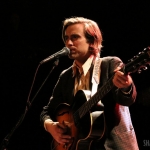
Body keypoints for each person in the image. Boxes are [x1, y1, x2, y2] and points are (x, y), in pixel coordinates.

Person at [40, 17, 139, 150]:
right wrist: (50, 126)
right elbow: (47, 111)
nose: (68, 43)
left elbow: (126, 100)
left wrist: (126, 86)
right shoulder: (65, 76)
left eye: (75, 37)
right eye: (66, 38)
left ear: (92, 41)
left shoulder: (110, 64)